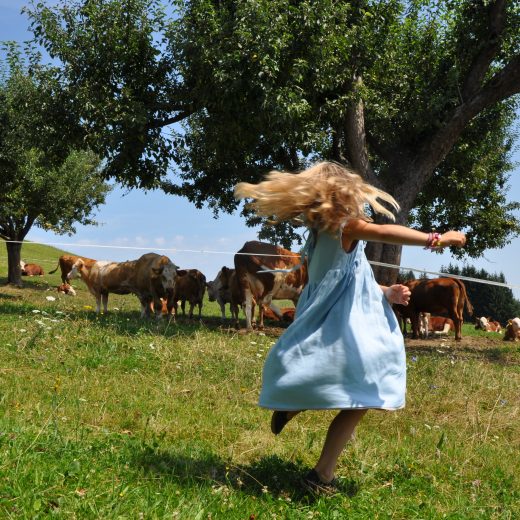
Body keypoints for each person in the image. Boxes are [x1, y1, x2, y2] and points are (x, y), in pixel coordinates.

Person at [234, 161, 466, 494]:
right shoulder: (345, 227)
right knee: (368, 389)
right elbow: (386, 232)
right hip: (346, 325)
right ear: (344, 196)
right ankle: (320, 473)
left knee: (360, 393)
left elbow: (345, 277)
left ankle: (305, 435)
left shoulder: (317, 237)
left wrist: (385, 292)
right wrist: (437, 238)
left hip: (332, 322)